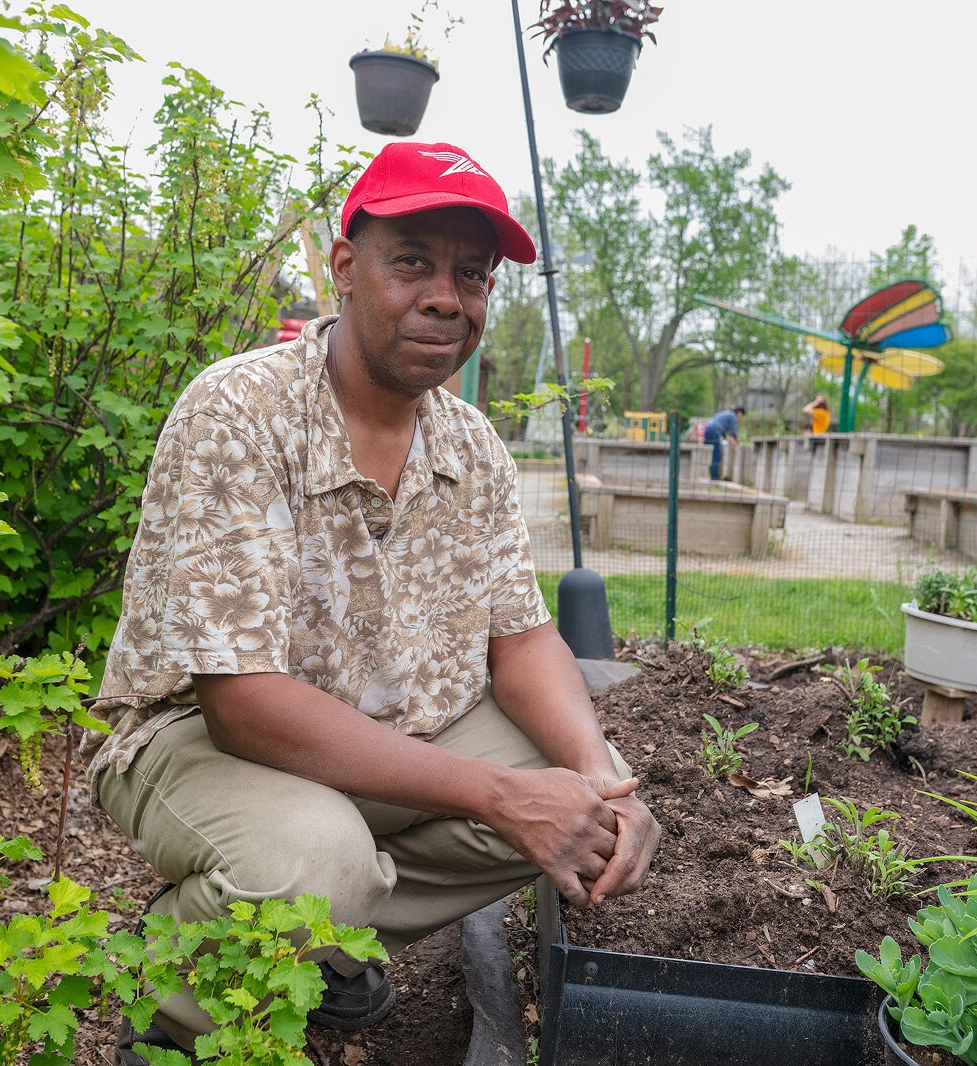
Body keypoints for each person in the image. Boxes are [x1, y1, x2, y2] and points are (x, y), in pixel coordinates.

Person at [83, 141, 661, 1062]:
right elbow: (243, 706)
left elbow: (524, 640)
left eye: (471, 275)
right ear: (344, 270)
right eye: (412, 262)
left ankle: (322, 958)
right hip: (193, 739)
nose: (446, 296)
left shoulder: (471, 444)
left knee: (575, 798)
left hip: (384, 738)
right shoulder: (240, 411)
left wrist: (601, 780)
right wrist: (501, 793)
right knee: (317, 865)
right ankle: (175, 1016)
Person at [702, 405, 744, 480]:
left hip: (707, 429)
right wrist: (737, 443)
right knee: (716, 455)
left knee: (708, 454)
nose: (740, 418)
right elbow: (734, 433)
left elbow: (724, 434)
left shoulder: (725, 413)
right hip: (714, 432)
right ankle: (714, 478)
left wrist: (730, 440)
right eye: (741, 416)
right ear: (739, 413)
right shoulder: (733, 416)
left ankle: (704, 475)